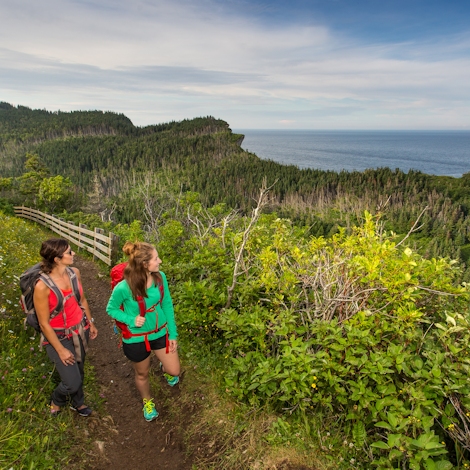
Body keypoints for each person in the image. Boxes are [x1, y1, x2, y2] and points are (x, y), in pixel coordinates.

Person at [106, 241, 180, 422]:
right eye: (156, 258)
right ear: (145, 264)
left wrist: (173, 333)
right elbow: (111, 309)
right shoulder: (123, 287)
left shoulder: (160, 278)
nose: (160, 261)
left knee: (175, 370)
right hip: (136, 338)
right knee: (142, 373)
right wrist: (130, 320)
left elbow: (167, 305)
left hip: (160, 332)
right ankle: (147, 402)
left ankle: (164, 366)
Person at [33, 238, 98, 416]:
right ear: (57, 259)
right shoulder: (42, 286)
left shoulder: (74, 273)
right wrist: (60, 349)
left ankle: (78, 403)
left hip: (80, 329)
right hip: (59, 336)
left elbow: (82, 299)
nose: (73, 254)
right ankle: (57, 399)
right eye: (69, 252)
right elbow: (44, 324)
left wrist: (90, 323)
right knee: (71, 381)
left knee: (79, 369)